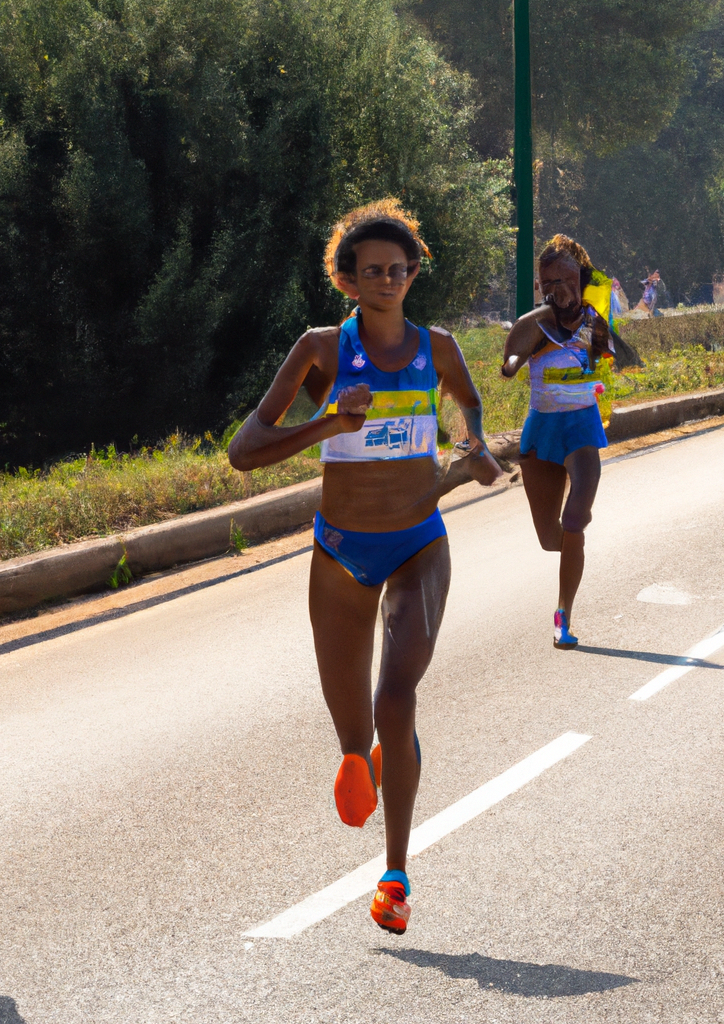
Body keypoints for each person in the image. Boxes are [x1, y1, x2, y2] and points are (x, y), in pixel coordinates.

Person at [228, 199, 501, 934]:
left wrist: (471, 445)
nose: (387, 279)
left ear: (414, 274)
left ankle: (394, 876)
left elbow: (467, 404)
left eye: (399, 268)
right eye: (371, 270)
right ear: (347, 280)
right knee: (355, 737)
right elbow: (244, 451)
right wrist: (329, 424)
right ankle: (358, 757)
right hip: (340, 551)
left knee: (396, 698)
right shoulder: (319, 350)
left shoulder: (436, 347)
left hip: (418, 541)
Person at [501, 234, 612, 648]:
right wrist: (513, 363)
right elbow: (510, 359)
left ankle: (563, 615)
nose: (556, 289)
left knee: (574, 519)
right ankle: (570, 538)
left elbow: (605, 359)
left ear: (580, 278)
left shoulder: (594, 320)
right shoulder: (532, 324)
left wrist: (599, 386)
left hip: (582, 429)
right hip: (542, 431)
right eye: (548, 281)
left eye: (566, 278)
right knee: (552, 538)